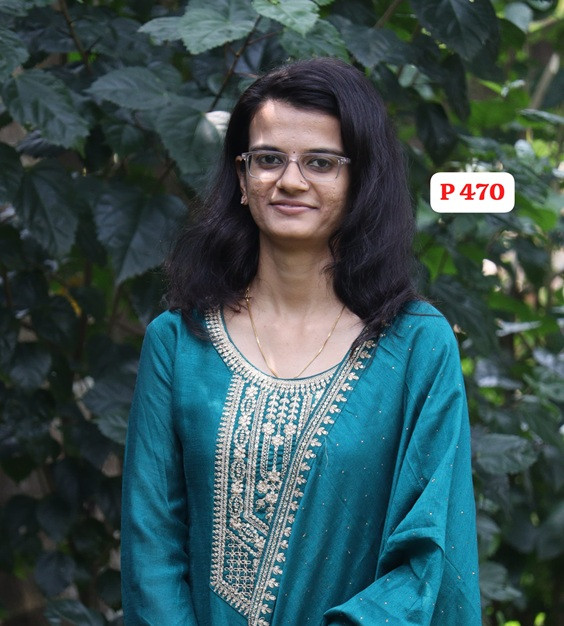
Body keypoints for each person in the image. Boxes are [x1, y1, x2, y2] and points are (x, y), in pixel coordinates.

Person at [121, 58, 481, 625]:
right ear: (242, 179)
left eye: (321, 162)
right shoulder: (178, 343)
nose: (290, 181)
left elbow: (429, 553)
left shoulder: (416, 344)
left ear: (361, 181)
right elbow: (151, 551)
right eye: (268, 159)